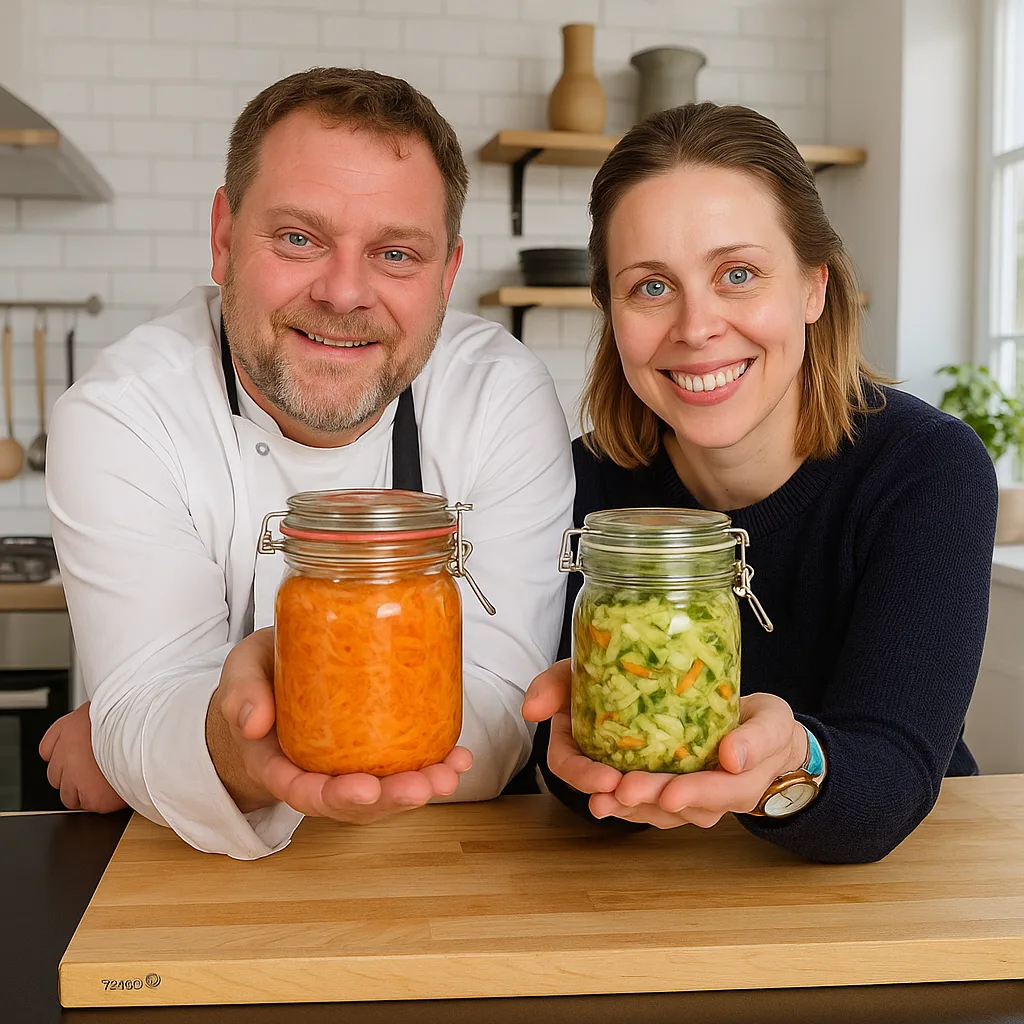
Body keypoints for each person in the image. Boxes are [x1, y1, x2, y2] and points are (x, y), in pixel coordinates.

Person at [40, 67, 573, 859]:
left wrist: (172, 750)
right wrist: (156, 746)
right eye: (299, 238)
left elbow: (500, 715)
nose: (344, 292)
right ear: (224, 237)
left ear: (447, 275)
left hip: (446, 879)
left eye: (396, 254)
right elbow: (148, 713)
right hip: (198, 900)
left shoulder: (499, 396)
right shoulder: (122, 415)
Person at [522, 102, 998, 864]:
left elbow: (893, 776)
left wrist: (793, 760)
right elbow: (579, 779)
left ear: (814, 287)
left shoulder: (925, 471)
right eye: (650, 287)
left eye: (737, 274)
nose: (696, 326)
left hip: (907, 892)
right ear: (611, 313)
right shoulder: (577, 484)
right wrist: (586, 759)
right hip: (648, 901)